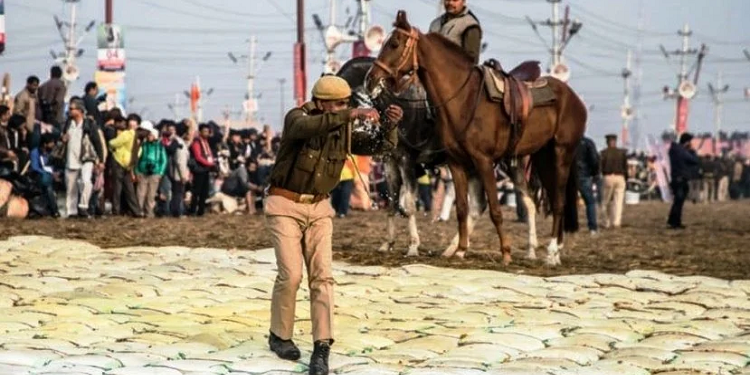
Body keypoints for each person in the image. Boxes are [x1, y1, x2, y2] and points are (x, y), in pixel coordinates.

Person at [264, 75, 402, 375]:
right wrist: (350, 114)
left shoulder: (344, 128)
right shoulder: (297, 117)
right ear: (323, 103)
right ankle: (279, 336)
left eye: (348, 104)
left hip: (319, 208)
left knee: (323, 277)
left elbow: (379, 146)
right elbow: (303, 129)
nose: (347, 108)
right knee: (291, 274)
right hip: (284, 205)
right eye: (340, 103)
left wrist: (390, 125)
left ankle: (321, 347)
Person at [61, 98, 104, 218]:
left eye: (71, 108)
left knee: (86, 182)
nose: (69, 111)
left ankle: (83, 206)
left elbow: (97, 143)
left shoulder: (89, 124)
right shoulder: (68, 123)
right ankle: (71, 211)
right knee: (71, 187)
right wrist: (63, 139)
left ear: (79, 110)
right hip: (71, 158)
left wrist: (101, 160)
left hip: (86, 158)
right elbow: (62, 138)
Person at [429, 0, 482, 64]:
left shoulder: (470, 25)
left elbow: (471, 63)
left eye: (455, 0)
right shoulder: (435, 23)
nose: (450, 3)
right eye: (447, 0)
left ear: (463, 1)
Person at [134, 121, 167, 218]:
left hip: (155, 172)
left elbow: (163, 160)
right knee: (140, 193)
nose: (149, 137)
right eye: (149, 135)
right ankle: (139, 211)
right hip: (142, 171)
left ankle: (149, 212)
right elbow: (138, 158)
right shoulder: (143, 145)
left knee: (151, 194)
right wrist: (137, 171)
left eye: (151, 135)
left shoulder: (160, 147)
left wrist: (160, 172)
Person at [668, 132, 699, 229]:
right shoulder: (682, 151)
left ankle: (674, 221)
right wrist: (692, 151)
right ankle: (675, 222)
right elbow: (694, 161)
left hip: (675, 178)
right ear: (687, 142)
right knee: (679, 202)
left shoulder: (674, 150)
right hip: (681, 179)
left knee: (677, 201)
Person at [599, 134, 627, 229]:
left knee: (605, 201)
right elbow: (625, 167)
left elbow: (600, 167)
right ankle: (616, 222)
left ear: (607, 142)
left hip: (608, 177)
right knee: (618, 202)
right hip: (620, 177)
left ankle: (605, 222)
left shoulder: (603, 153)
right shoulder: (622, 152)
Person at [29, 133, 60, 217]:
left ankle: (53, 209)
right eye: (51, 143)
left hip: (50, 175)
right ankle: (54, 210)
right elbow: (35, 167)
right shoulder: (35, 152)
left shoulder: (50, 153)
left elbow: (53, 165)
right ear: (45, 144)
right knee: (47, 184)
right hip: (38, 176)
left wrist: (55, 173)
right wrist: (48, 173)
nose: (53, 144)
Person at [189, 123, 216, 216]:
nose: (206, 133)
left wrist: (212, 162)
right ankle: (192, 210)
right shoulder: (196, 142)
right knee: (197, 191)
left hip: (206, 169)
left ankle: (201, 210)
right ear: (200, 132)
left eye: (208, 131)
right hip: (199, 169)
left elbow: (209, 154)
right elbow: (198, 157)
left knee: (204, 191)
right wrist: (210, 164)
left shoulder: (206, 142)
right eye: (204, 131)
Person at [577, 135, 601, 235]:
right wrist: (595, 173)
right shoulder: (587, 142)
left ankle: (567, 227)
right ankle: (592, 228)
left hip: (568, 176)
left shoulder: (566, 140)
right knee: (590, 202)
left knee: (566, 203)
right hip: (584, 175)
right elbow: (594, 159)